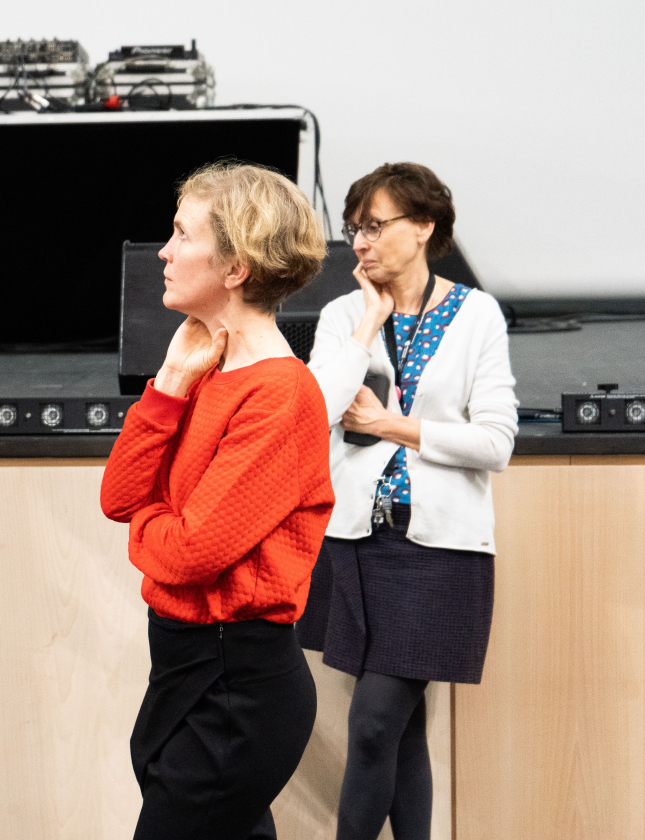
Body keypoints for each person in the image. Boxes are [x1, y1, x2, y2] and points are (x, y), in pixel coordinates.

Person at [100, 161, 335, 840]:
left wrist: (151, 529)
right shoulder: (206, 372)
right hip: (184, 666)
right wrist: (170, 380)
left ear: (235, 267)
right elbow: (119, 497)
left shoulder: (281, 394)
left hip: (237, 683)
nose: (164, 253)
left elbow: (194, 551)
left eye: (181, 235)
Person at [296, 163, 518, 840]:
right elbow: (316, 412)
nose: (359, 242)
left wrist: (390, 425)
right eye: (353, 228)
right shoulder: (342, 316)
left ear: (424, 228)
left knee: (370, 726)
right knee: (400, 731)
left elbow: (496, 442)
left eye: (375, 225)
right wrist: (366, 321)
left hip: (437, 554)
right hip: (354, 544)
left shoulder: (476, 313)